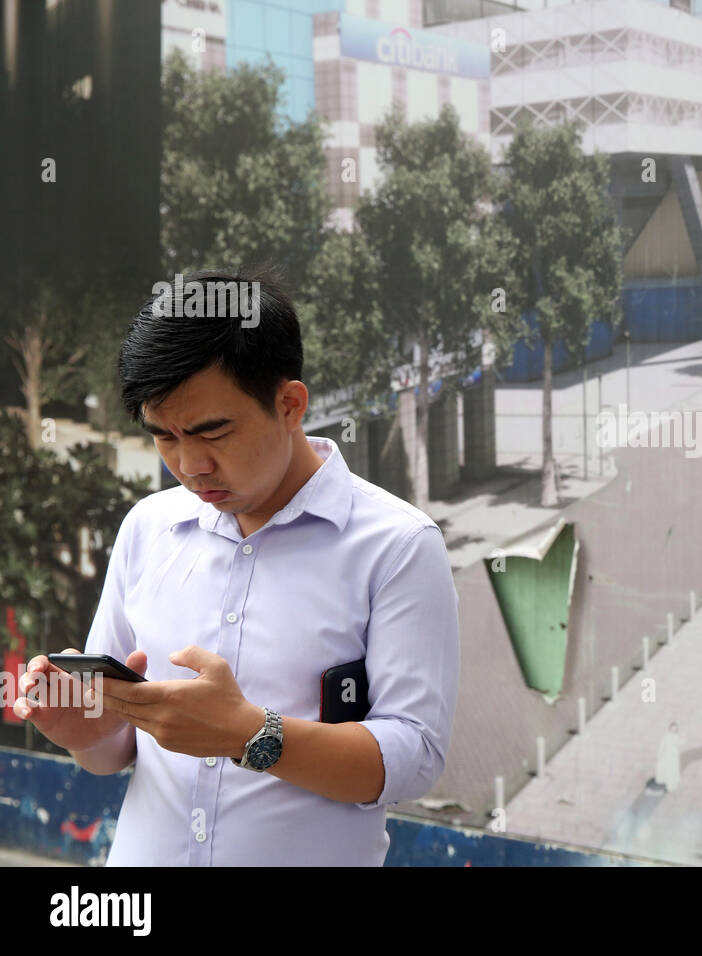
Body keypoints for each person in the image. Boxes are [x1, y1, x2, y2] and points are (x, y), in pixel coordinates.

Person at [13, 271, 461, 866]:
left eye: (212, 431)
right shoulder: (149, 528)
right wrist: (78, 728)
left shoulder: (397, 545)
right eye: (163, 437)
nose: (190, 464)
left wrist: (252, 734)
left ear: (290, 403)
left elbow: (413, 756)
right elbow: (116, 748)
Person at [654, 721, 683, 792]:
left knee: (674, 769)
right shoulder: (666, 736)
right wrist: (659, 754)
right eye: (673, 729)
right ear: (670, 729)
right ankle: (669, 785)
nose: (674, 730)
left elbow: (681, 743)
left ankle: (673, 784)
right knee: (670, 769)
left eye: (675, 729)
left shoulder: (677, 736)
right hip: (668, 755)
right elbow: (662, 746)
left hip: (674, 755)